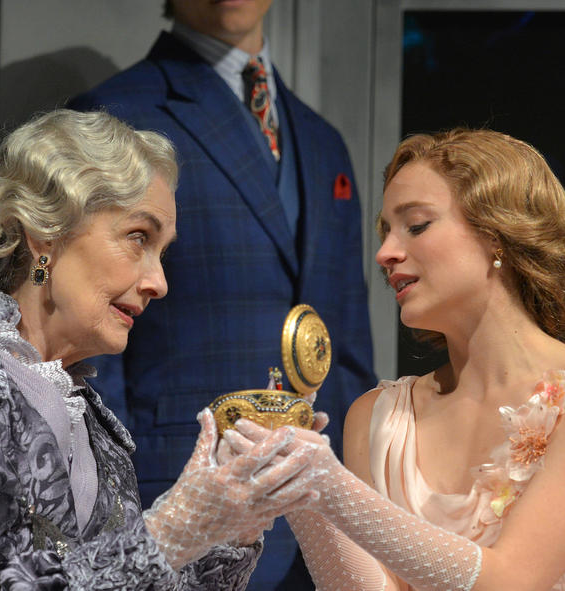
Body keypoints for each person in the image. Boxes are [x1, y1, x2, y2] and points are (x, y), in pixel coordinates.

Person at [0, 109, 325, 590]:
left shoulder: (97, 430)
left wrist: (236, 519)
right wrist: (170, 530)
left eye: (162, 252)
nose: (159, 282)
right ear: (45, 234)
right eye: (138, 238)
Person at [222, 129, 565, 589]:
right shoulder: (378, 418)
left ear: (497, 233)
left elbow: (509, 582)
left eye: (416, 225)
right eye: (386, 232)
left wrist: (334, 491)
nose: (385, 253)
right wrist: (302, 493)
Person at [67, 1, 377, 586]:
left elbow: (348, 340)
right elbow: (85, 340)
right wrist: (117, 500)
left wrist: (359, 492)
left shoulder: (322, 140)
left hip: (323, 509)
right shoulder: (114, 116)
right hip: (179, 486)